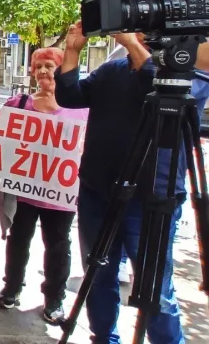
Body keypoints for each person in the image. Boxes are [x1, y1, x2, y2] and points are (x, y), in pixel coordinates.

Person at [56, 21, 207, 344]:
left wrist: (133, 44)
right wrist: (72, 49)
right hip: (98, 189)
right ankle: (103, 337)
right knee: (98, 275)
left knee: (154, 287)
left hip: (152, 196)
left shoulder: (188, 71)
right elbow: (69, 96)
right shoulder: (112, 70)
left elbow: (162, 92)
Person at [0, 47, 88, 325]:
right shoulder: (18, 104)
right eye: (39, 67)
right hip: (23, 191)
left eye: (51, 66)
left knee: (58, 244)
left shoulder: (81, 108)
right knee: (18, 239)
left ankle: (54, 300)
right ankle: (11, 288)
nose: (44, 71)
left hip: (60, 192)